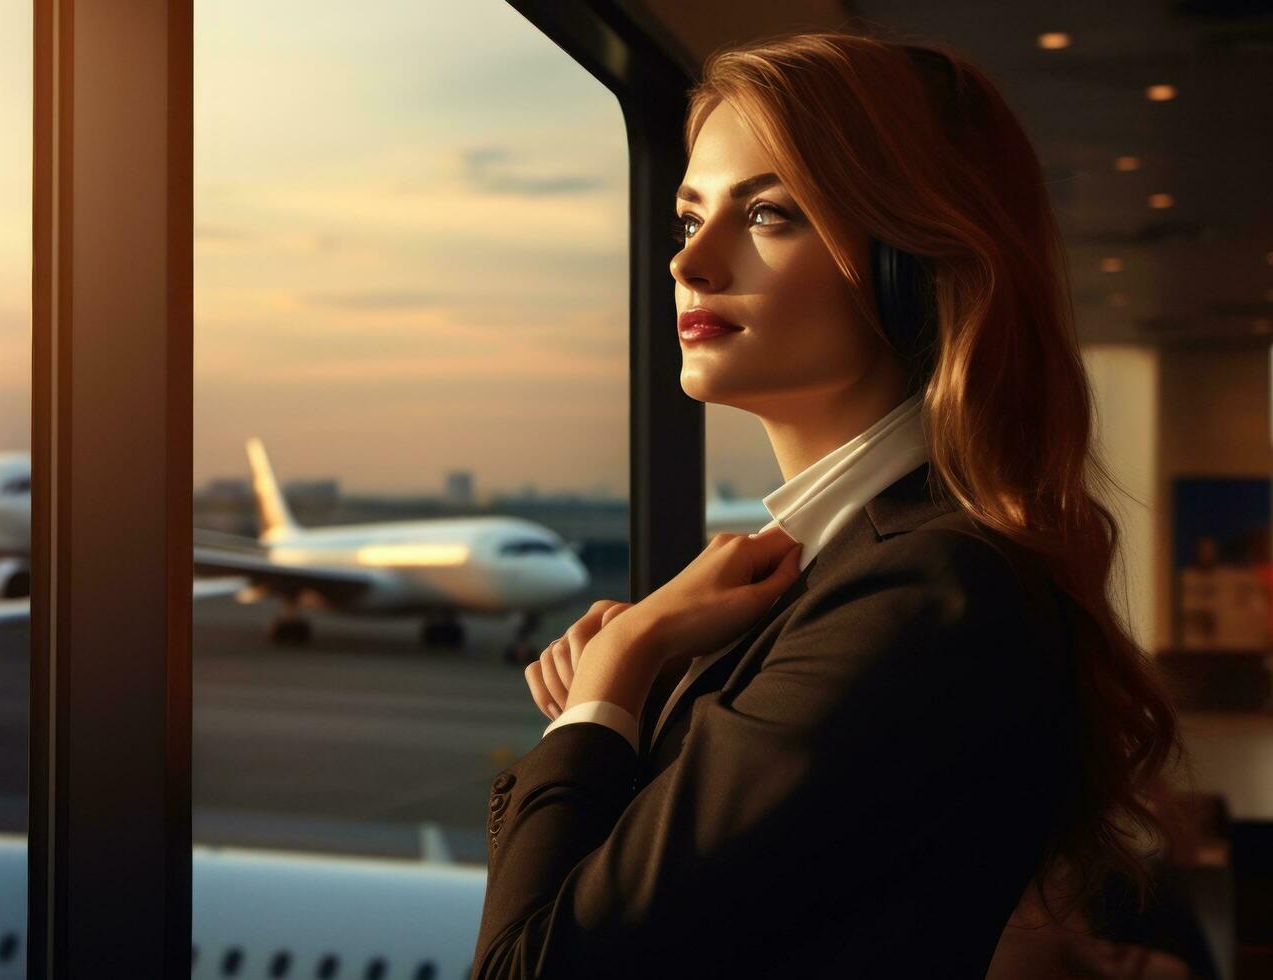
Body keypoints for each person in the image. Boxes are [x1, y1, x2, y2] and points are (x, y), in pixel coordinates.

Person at [472, 29, 1181, 979]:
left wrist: (619, 669)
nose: (692, 264)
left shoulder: (926, 594)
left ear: (907, 261)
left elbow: (530, 967)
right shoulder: (858, 566)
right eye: (689, 220)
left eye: (769, 216)